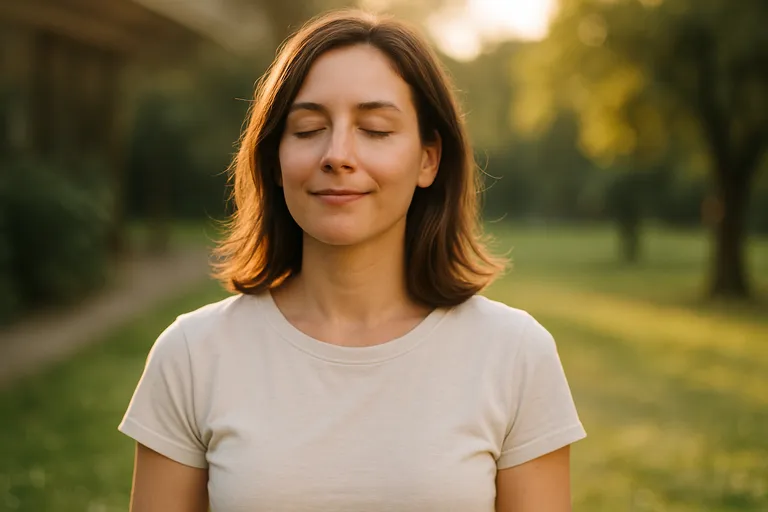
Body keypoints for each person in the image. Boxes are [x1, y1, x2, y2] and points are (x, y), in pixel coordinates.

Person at [119, 9, 586, 512]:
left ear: (428, 159)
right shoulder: (192, 356)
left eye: (376, 129)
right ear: (275, 160)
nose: (337, 154)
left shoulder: (514, 355)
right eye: (308, 129)